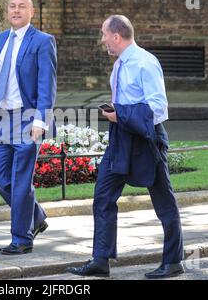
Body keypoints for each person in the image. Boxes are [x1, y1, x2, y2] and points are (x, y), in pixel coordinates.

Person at [66, 15, 184, 278]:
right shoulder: (120, 63)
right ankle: (100, 260)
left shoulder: (145, 63)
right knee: (103, 196)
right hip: (120, 137)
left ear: (116, 36)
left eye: (104, 34)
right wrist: (116, 112)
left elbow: (157, 109)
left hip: (146, 140)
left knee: (164, 202)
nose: (102, 40)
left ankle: (174, 261)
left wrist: (121, 114)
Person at [0, 0, 57, 255]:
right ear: (7, 11)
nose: (16, 10)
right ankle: (36, 216)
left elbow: (47, 84)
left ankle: (22, 239)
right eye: (12, 6)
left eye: (22, 6)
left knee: (21, 180)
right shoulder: (1, 39)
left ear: (32, 12)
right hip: (0, 117)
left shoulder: (42, 41)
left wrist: (41, 120)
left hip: (28, 118)